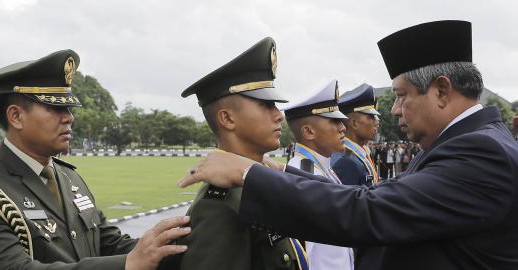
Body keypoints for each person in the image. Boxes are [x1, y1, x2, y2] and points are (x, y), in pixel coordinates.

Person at [179, 20, 518, 269]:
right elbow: (381, 198)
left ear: (442, 91)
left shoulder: (480, 153)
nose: (395, 109)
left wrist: (250, 173)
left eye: (401, 96)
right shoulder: (472, 145)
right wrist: (277, 171)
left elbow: (371, 210)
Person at [0, 50, 190, 269]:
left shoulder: (69, 178)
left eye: (69, 108)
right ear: (16, 116)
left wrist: (175, 246)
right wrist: (128, 264)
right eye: (56, 107)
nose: (69, 117)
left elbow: (109, 244)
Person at [171, 37, 308, 270]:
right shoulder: (221, 205)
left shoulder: (256, 183)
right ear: (227, 118)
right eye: (266, 105)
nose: (279, 115)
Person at [283, 79, 353, 270]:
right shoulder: (303, 175)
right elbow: (304, 253)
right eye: (334, 121)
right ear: (308, 131)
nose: (343, 127)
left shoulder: (321, 168)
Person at [330, 83, 380, 186]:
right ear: (354, 123)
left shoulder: (356, 155)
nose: (377, 122)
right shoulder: (346, 162)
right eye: (371, 117)